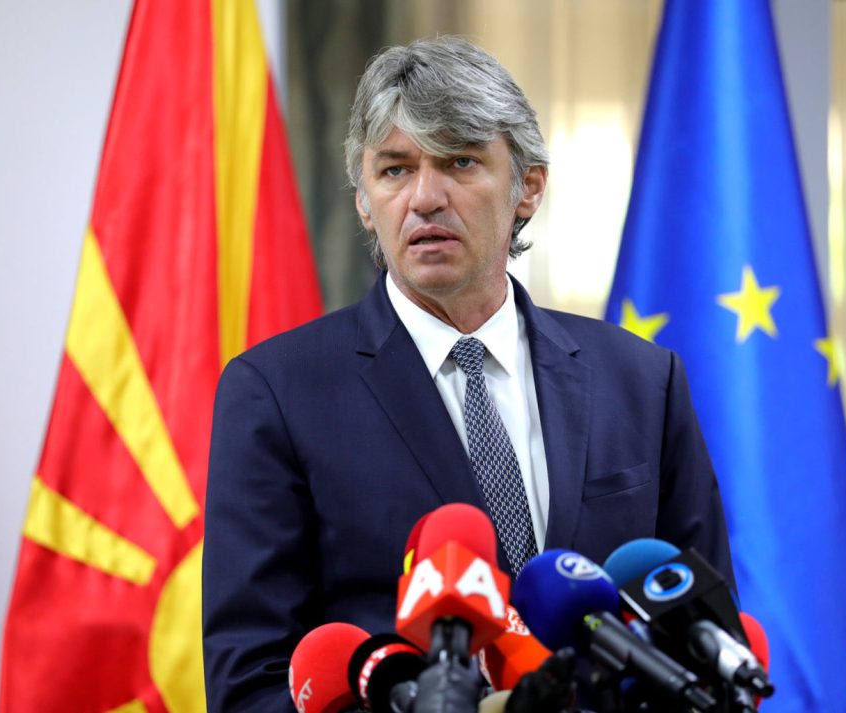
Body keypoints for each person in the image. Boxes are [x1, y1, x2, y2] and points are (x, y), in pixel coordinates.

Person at [202, 36, 733, 712]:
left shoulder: (642, 380)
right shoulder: (278, 393)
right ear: (364, 200)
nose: (425, 197)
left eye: (459, 161)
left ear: (527, 187)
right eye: (395, 170)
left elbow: (706, 640)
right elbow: (251, 686)